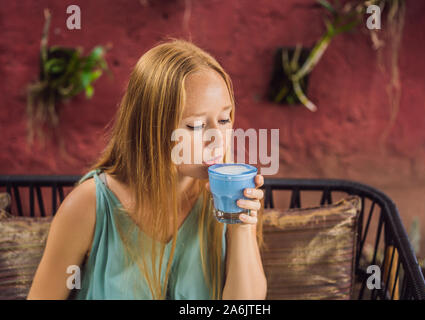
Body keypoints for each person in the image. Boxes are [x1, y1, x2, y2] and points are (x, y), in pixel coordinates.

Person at [27, 39, 267, 300]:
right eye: (196, 126)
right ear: (152, 127)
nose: (217, 138)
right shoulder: (88, 205)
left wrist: (241, 227)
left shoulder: (225, 200)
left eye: (223, 120)